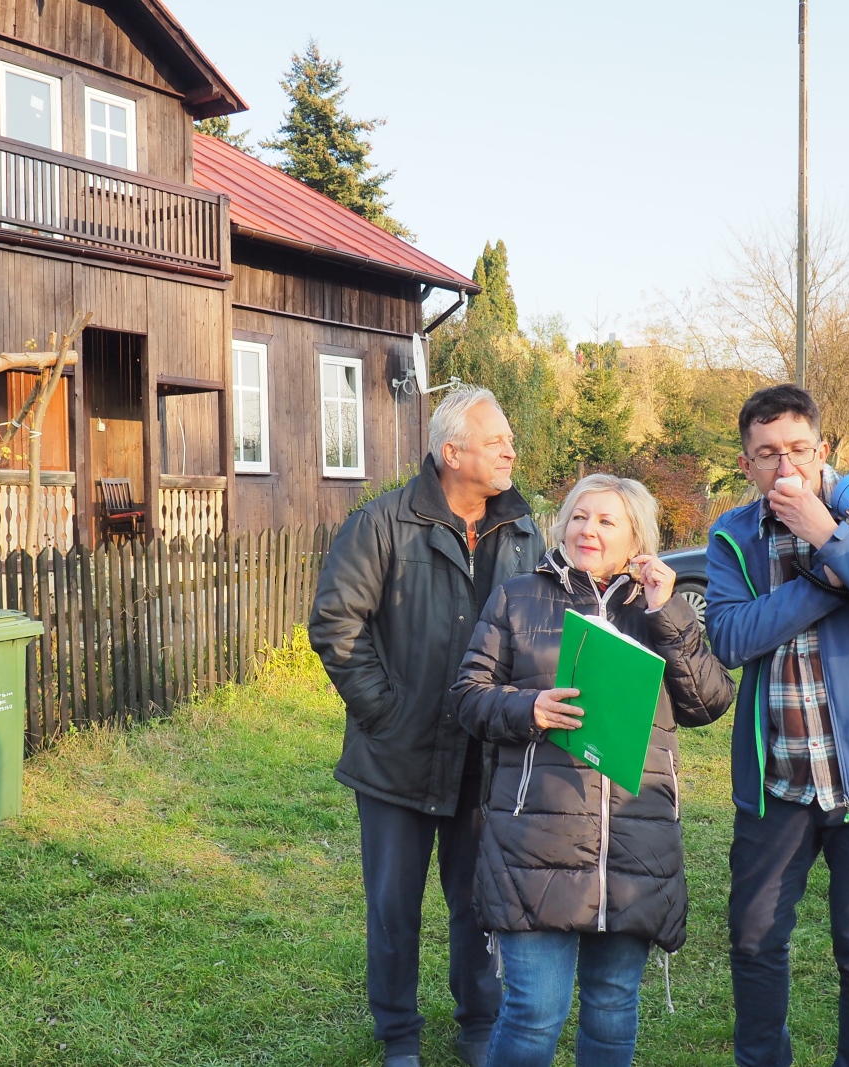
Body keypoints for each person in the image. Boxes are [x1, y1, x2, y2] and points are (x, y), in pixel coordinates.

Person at [452, 474, 736, 1067]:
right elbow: (467, 695)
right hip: (536, 839)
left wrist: (668, 610)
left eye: (607, 521)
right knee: (534, 1011)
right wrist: (525, 708)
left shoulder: (658, 610)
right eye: (580, 516)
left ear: (636, 534)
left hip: (637, 840)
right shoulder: (517, 597)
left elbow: (707, 702)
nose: (589, 530)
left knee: (612, 1007)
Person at [704, 384, 849, 1067]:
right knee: (753, 941)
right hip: (779, 782)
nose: (786, 468)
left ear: (823, 448)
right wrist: (824, 582)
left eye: (799, 450)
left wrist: (830, 539)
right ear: (747, 462)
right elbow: (729, 636)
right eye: (767, 454)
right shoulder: (732, 536)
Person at [309, 387, 546, 1067]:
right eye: (496, 438)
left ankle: (479, 1022)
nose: (510, 448)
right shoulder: (381, 523)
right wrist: (384, 710)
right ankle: (399, 1035)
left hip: (488, 757)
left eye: (508, 438)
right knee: (394, 909)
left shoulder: (526, 531)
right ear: (452, 452)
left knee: (481, 902)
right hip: (396, 759)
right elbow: (335, 623)